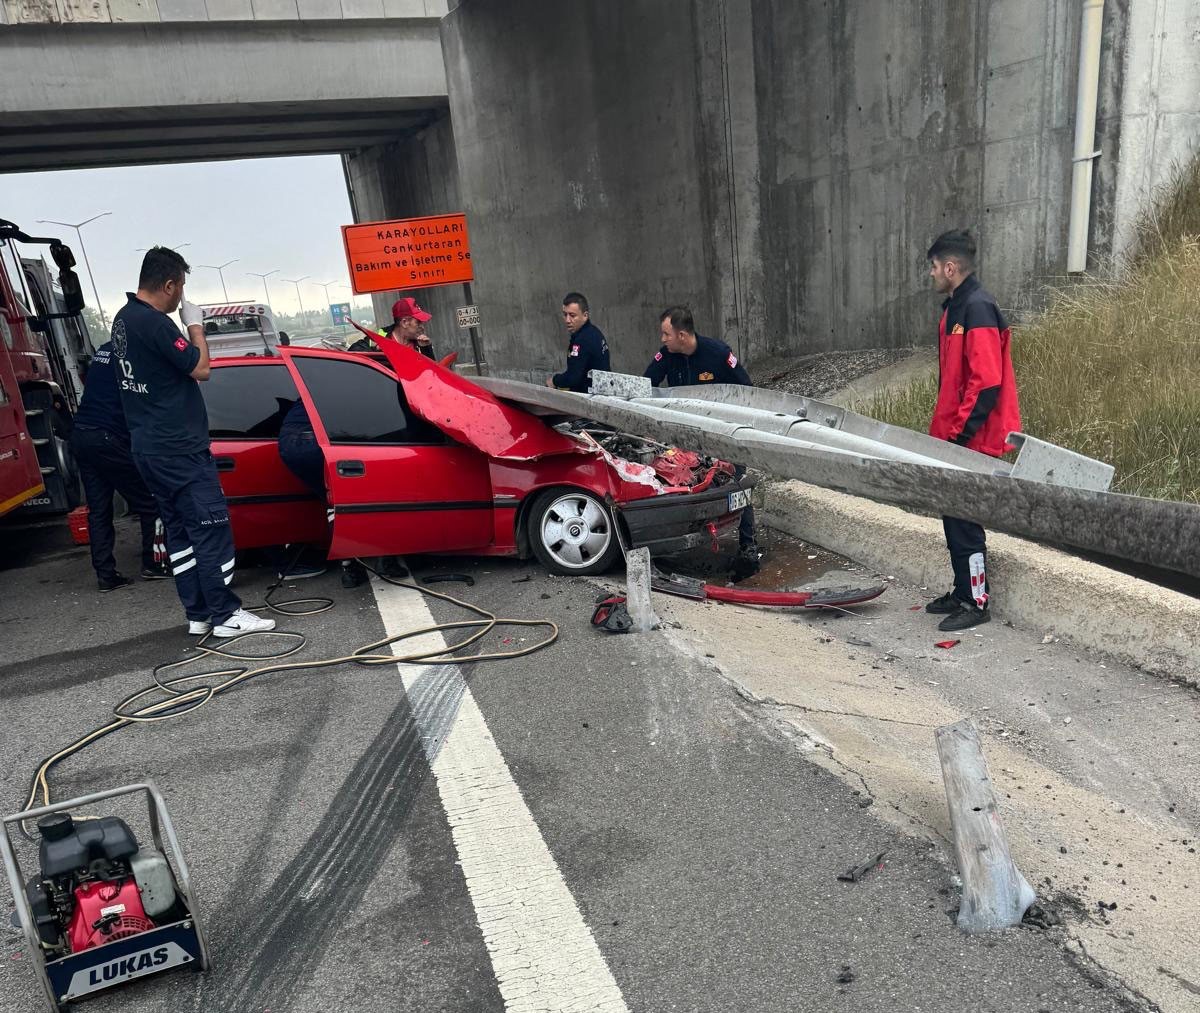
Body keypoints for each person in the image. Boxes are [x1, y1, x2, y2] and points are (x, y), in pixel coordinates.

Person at [112, 246, 275, 638]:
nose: (181, 297)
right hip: (180, 449)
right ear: (168, 284)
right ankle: (225, 614)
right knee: (211, 528)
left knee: (181, 534)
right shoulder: (154, 323)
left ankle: (198, 613)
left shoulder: (123, 320)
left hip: (149, 448)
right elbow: (201, 368)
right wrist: (195, 326)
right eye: (180, 288)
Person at [924, 229, 1021, 632]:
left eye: (933, 267)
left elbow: (986, 383)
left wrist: (959, 440)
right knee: (954, 517)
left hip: (972, 439)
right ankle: (963, 591)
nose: (930, 274)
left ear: (950, 267)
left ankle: (976, 600)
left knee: (966, 523)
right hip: (955, 435)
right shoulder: (955, 308)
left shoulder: (977, 308)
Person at [643, 305, 759, 573]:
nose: (662, 339)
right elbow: (646, 384)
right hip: (686, 437)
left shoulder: (718, 354)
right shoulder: (666, 356)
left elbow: (747, 391)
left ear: (682, 335)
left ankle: (748, 545)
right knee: (684, 486)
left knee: (736, 487)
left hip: (722, 434)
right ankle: (687, 542)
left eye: (666, 334)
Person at [69, 340, 170, 591]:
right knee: (150, 501)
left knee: (99, 511)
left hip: (81, 434)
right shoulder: (137, 352)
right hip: (107, 438)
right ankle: (154, 564)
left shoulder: (106, 348)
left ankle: (106, 575)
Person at [276, 397, 368, 588]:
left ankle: (349, 562)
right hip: (311, 440)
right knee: (339, 501)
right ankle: (351, 566)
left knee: (332, 500)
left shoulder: (318, 382)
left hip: (288, 442)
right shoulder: (347, 384)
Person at [547, 292, 609, 392]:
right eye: (565, 315)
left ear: (585, 316)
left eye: (572, 315)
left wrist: (554, 381)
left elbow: (573, 378)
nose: (567, 320)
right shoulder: (594, 332)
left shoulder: (583, 340)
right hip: (600, 393)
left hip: (590, 398)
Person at [350, 297, 436, 356]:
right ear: (404, 323)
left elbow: (432, 374)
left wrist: (426, 349)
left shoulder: (421, 344)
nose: (422, 327)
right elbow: (352, 352)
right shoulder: (379, 337)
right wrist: (375, 351)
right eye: (418, 322)